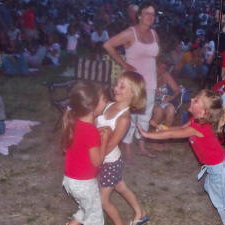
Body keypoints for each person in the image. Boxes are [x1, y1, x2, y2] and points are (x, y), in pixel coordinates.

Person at [138, 89, 225, 225]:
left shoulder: (199, 128)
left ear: (204, 112)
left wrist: (148, 135)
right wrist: (161, 127)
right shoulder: (195, 121)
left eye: (196, 100)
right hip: (218, 166)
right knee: (210, 188)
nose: (192, 99)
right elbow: (178, 129)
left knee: (218, 200)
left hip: (220, 169)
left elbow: (173, 135)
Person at [103, 1, 159, 160]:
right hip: (133, 83)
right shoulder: (130, 32)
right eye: (147, 13)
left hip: (150, 81)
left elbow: (155, 55)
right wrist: (123, 63)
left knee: (146, 115)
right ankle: (127, 147)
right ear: (139, 15)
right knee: (130, 115)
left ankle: (141, 145)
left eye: (152, 14)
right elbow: (108, 45)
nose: (150, 16)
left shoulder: (154, 34)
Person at [96, 71, 149, 225]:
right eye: (117, 84)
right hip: (103, 157)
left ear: (132, 94)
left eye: (122, 86)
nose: (116, 88)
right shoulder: (108, 105)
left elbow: (111, 144)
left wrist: (94, 159)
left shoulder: (124, 119)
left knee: (102, 200)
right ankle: (140, 212)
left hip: (110, 162)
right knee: (121, 188)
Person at [61, 81, 111, 225]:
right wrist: (105, 140)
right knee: (95, 218)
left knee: (85, 209)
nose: (106, 103)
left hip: (70, 180)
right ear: (93, 106)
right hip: (84, 184)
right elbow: (97, 162)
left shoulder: (74, 122)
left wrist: (96, 136)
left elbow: (81, 143)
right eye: (104, 100)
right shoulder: (91, 131)